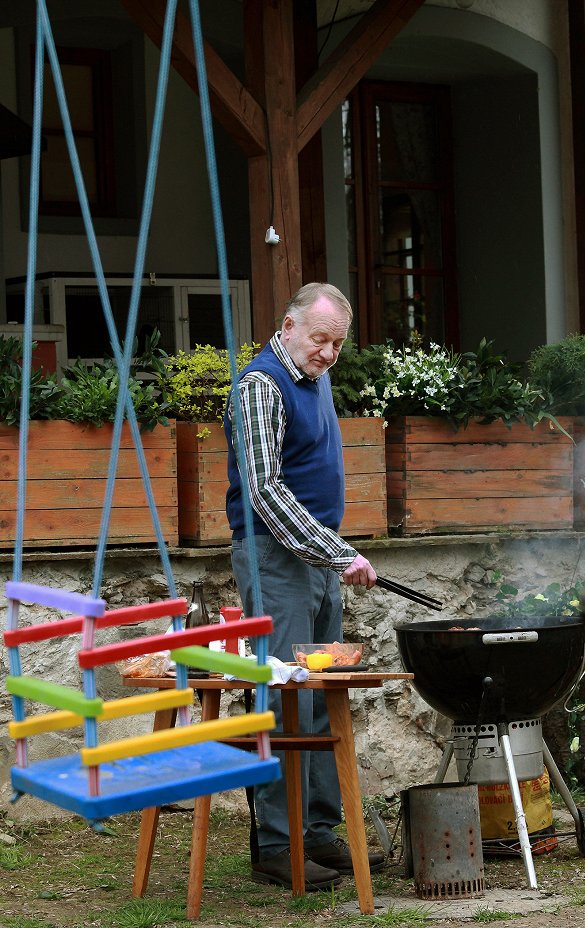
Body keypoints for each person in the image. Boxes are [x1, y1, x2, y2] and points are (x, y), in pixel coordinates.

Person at [224, 281, 385, 890]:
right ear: (288, 325)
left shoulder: (314, 380)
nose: (328, 353)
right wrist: (336, 552)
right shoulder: (261, 385)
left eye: (337, 344)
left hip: (315, 560)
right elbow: (264, 490)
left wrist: (330, 555)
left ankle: (317, 830)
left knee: (317, 694)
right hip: (274, 560)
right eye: (320, 339)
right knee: (282, 696)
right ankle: (275, 840)